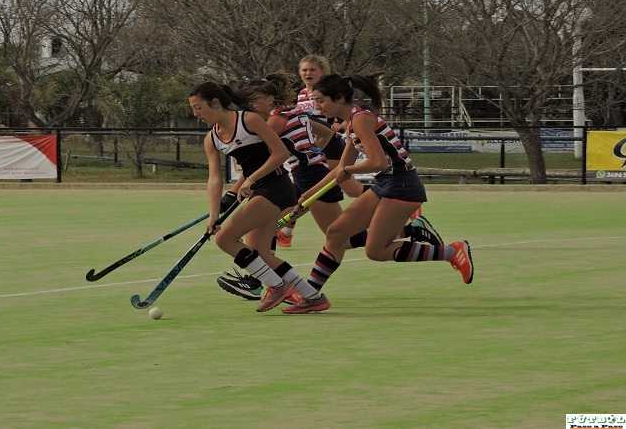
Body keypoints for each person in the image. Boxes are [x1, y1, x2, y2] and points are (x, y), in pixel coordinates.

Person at [215, 74, 444, 307]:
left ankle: (274, 284)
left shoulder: (275, 121)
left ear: (266, 99)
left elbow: (264, 159)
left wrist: (240, 188)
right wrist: (318, 159)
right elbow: (328, 136)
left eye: (321, 100)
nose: (316, 106)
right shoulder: (292, 114)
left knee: (333, 238)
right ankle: (296, 290)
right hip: (309, 175)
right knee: (333, 236)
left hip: (309, 175)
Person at [281, 74, 474, 314]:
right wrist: (306, 196)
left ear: (339, 98)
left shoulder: (361, 119)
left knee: (376, 251)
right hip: (385, 183)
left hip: (402, 185)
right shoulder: (352, 122)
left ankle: (451, 251)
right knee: (336, 232)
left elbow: (378, 162)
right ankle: (312, 296)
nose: (317, 108)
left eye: (320, 101)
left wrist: (348, 171)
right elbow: (340, 169)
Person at [190, 81, 327, 312]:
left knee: (224, 238)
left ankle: (276, 286)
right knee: (261, 252)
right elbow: (214, 179)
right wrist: (213, 215)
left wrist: (251, 180)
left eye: (198, 107)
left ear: (214, 103)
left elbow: (280, 153)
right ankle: (313, 297)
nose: (195, 114)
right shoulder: (211, 139)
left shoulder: (248, 120)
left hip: (276, 187)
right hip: (260, 192)